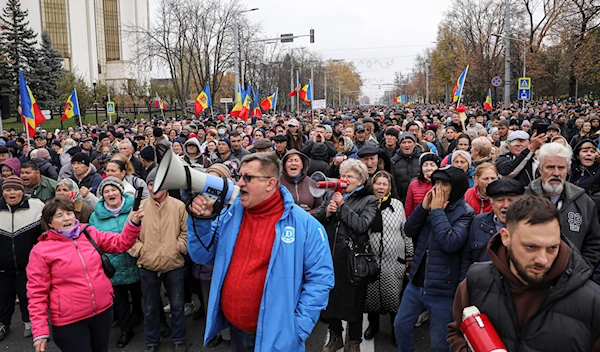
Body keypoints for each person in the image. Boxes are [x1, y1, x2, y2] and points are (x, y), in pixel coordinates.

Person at [187, 152, 334, 351]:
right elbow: (201, 255)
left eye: (248, 178)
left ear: (270, 183)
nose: (239, 183)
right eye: (239, 176)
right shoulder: (230, 214)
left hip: (278, 338)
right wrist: (201, 220)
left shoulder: (305, 225)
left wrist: (298, 329)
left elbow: (320, 280)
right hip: (237, 330)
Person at [447, 196, 600, 351]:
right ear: (506, 237)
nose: (543, 259)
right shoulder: (475, 281)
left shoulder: (592, 302)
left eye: (552, 248)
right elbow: (457, 333)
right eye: (531, 247)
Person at [27, 197, 144, 352]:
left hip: (102, 312)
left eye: (69, 213)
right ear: (49, 223)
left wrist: (133, 223)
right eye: (59, 215)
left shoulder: (89, 233)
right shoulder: (41, 251)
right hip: (69, 322)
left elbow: (120, 242)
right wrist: (40, 331)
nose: (66, 218)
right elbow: (37, 293)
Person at [394, 166, 474, 352]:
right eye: (436, 182)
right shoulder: (431, 205)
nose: (437, 188)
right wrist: (423, 208)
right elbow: (409, 230)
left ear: (456, 188)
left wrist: (437, 212)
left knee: (440, 344)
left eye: (444, 184)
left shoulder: (466, 213)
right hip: (417, 283)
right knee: (401, 326)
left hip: (443, 291)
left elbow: (450, 242)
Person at [315, 159, 378, 352]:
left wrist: (342, 207)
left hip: (352, 261)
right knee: (331, 302)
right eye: (343, 175)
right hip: (330, 258)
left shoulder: (369, 200)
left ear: (360, 181)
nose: (344, 179)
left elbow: (361, 226)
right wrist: (326, 212)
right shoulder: (330, 195)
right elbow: (316, 220)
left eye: (349, 176)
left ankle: (353, 342)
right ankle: (335, 337)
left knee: (354, 305)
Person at [128, 169, 188, 352]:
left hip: (174, 263)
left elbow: (186, 233)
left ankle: (179, 339)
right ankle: (152, 342)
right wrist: (141, 251)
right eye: (151, 184)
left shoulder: (178, 206)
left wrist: (178, 247)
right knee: (151, 307)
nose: (154, 187)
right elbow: (129, 235)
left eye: (158, 183)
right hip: (148, 264)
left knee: (177, 306)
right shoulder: (139, 207)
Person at [525, 142, 600, 270]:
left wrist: (581, 270)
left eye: (561, 168)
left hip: (573, 278)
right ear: (540, 169)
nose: (556, 173)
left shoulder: (584, 202)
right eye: (550, 167)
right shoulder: (524, 199)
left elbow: (594, 243)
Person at [89, 177, 143, 348]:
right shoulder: (95, 217)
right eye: (106, 191)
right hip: (114, 265)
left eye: (114, 189)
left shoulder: (135, 209)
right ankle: (126, 330)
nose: (111, 193)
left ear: (121, 191)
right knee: (120, 301)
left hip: (137, 261)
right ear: (102, 195)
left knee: (140, 294)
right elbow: (93, 242)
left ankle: (141, 317)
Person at [363, 171, 413, 347]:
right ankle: (373, 324)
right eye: (378, 184)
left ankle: (394, 330)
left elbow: (405, 230)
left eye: (385, 184)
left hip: (393, 261)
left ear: (390, 188)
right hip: (371, 260)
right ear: (372, 186)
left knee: (394, 297)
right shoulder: (366, 205)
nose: (381, 187)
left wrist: (409, 253)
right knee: (371, 296)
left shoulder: (397, 205)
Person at [0, 176, 45, 341]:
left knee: (28, 295)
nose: (12, 193)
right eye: (8, 189)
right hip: (2, 267)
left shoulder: (37, 206)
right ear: (2, 192)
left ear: (23, 191)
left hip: (28, 266)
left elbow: (46, 234)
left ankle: (30, 323)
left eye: (16, 189)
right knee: (3, 296)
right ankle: (3, 324)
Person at [460, 178, 525, 278]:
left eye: (511, 200)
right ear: (491, 202)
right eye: (500, 200)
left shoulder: (527, 226)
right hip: (483, 287)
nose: (506, 205)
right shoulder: (478, 222)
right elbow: (467, 259)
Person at [280, 149, 323, 214]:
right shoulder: (277, 182)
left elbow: (320, 206)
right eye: (290, 161)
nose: (293, 163)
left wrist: (310, 213)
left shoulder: (312, 184)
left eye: (296, 160)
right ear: (284, 166)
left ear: (302, 165)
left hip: (306, 221)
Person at [404, 152, 440, 218]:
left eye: (432, 165)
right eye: (425, 165)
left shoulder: (442, 184)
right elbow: (408, 209)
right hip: (417, 221)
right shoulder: (413, 184)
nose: (429, 168)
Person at [391, 132, 423, 203]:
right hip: (400, 200)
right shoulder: (394, 161)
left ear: (414, 144)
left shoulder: (421, 159)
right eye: (404, 142)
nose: (406, 145)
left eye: (409, 142)